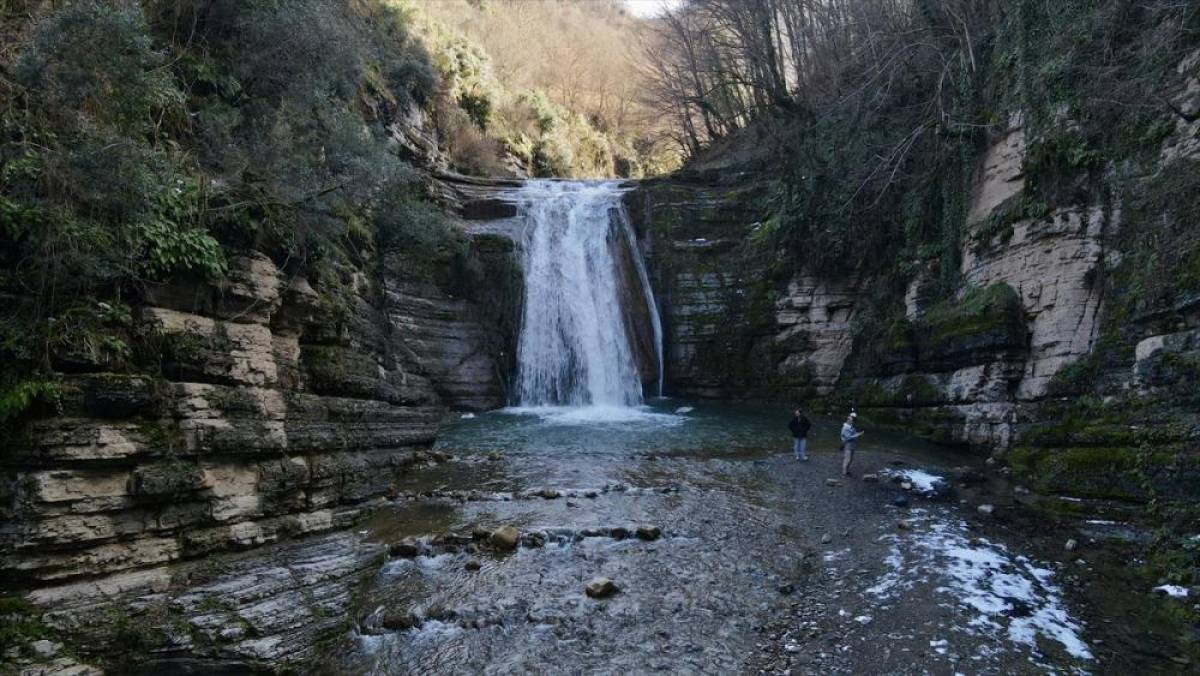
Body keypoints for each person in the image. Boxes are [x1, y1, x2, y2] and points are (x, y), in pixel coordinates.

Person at [840, 411, 864, 477]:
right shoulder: (845, 427)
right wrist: (858, 434)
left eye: (854, 419)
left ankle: (846, 471)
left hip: (852, 444)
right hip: (847, 444)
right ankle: (844, 472)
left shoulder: (851, 426)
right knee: (847, 459)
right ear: (848, 418)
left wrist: (859, 433)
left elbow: (853, 434)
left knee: (850, 459)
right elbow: (848, 437)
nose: (853, 420)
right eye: (852, 418)